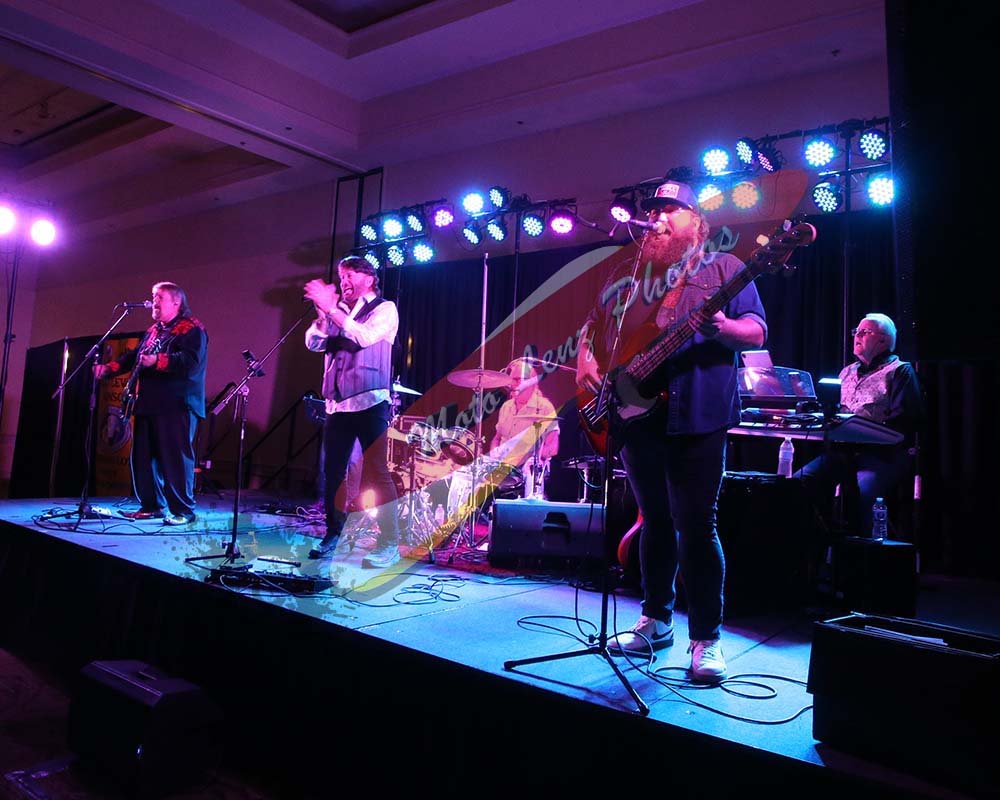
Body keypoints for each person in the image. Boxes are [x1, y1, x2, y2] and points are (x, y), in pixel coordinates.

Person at [575, 179, 767, 682]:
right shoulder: (630, 276)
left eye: (670, 209)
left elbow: (757, 330)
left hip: (698, 414)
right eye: (654, 209)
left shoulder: (724, 268)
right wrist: (584, 362)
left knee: (697, 525)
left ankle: (706, 638)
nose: (658, 217)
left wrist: (723, 328)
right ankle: (655, 621)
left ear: (695, 222)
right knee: (654, 520)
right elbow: (592, 328)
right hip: (636, 418)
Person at [303, 255, 401, 568]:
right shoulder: (338, 311)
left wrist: (333, 310)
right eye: (341, 275)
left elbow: (364, 337)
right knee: (333, 471)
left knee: (376, 472)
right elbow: (313, 344)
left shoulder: (385, 308)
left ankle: (389, 542)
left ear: (368, 279)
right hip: (338, 403)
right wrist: (323, 316)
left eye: (350, 275)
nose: (343, 281)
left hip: (370, 400)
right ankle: (334, 533)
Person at [796, 313, 921, 536]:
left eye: (865, 332)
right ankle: (820, 544)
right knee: (799, 483)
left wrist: (864, 429)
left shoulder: (900, 370)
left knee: (862, 495)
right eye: (857, 331)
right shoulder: (846, 372)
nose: (857, 336)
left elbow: (905, 420)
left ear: (883, 340)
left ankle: (864, 552)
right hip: (842, 452)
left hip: (883, 455)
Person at [95, 281, 208, 525]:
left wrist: (157, 360)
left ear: (176, 302)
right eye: (153, 296)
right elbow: (133, 357)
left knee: (175, 460)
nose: (154, 302)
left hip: (177, 405)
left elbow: (189, 361)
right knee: (143, 459)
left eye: (159, 297)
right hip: (148, 403)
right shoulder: (154, 330)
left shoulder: (192, 329)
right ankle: (152, 506)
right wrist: (109, 368)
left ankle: (183, 511)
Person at [489, 358, 561, 497]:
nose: (513, 384)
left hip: (527, 469)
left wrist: (533, 458)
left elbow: (553, 447)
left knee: (529, 471)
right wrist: (494, 453)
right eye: (511, 380)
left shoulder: (544, 407)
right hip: (503, 467)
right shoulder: (506, 407)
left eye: (518, 380)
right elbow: (497, 438)